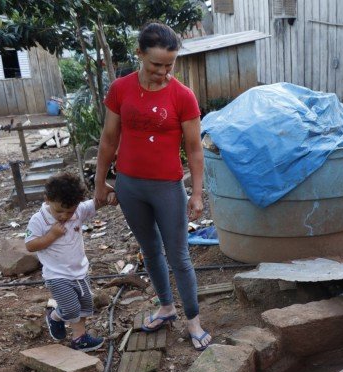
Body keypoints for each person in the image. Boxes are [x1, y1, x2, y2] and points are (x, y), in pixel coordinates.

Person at [94, 21, 211, 351]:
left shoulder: (182, 96)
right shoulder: (121, 89)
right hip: (130, 186)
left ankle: (194, 321)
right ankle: (165, 307)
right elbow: (108, 139)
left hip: (167, 188)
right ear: (139, 54)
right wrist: (101, 184)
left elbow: (194, 149)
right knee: (150, 250)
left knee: (179, 256)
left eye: (169, 65)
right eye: (155, 64)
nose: (162, 71)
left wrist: (198, 193)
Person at [25, 172, 113, 351]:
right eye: (59, 211)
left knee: (85, 305)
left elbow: (97, 202)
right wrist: (51, 235)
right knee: (71, 309)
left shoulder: (78, 211)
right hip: (57, 275)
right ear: (47, 200)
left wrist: (110, 195)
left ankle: (79, 339)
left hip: (80, 271)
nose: (64, 216)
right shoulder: (38, 220)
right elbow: (30, 245)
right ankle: (55, 317)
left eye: (70, 211)